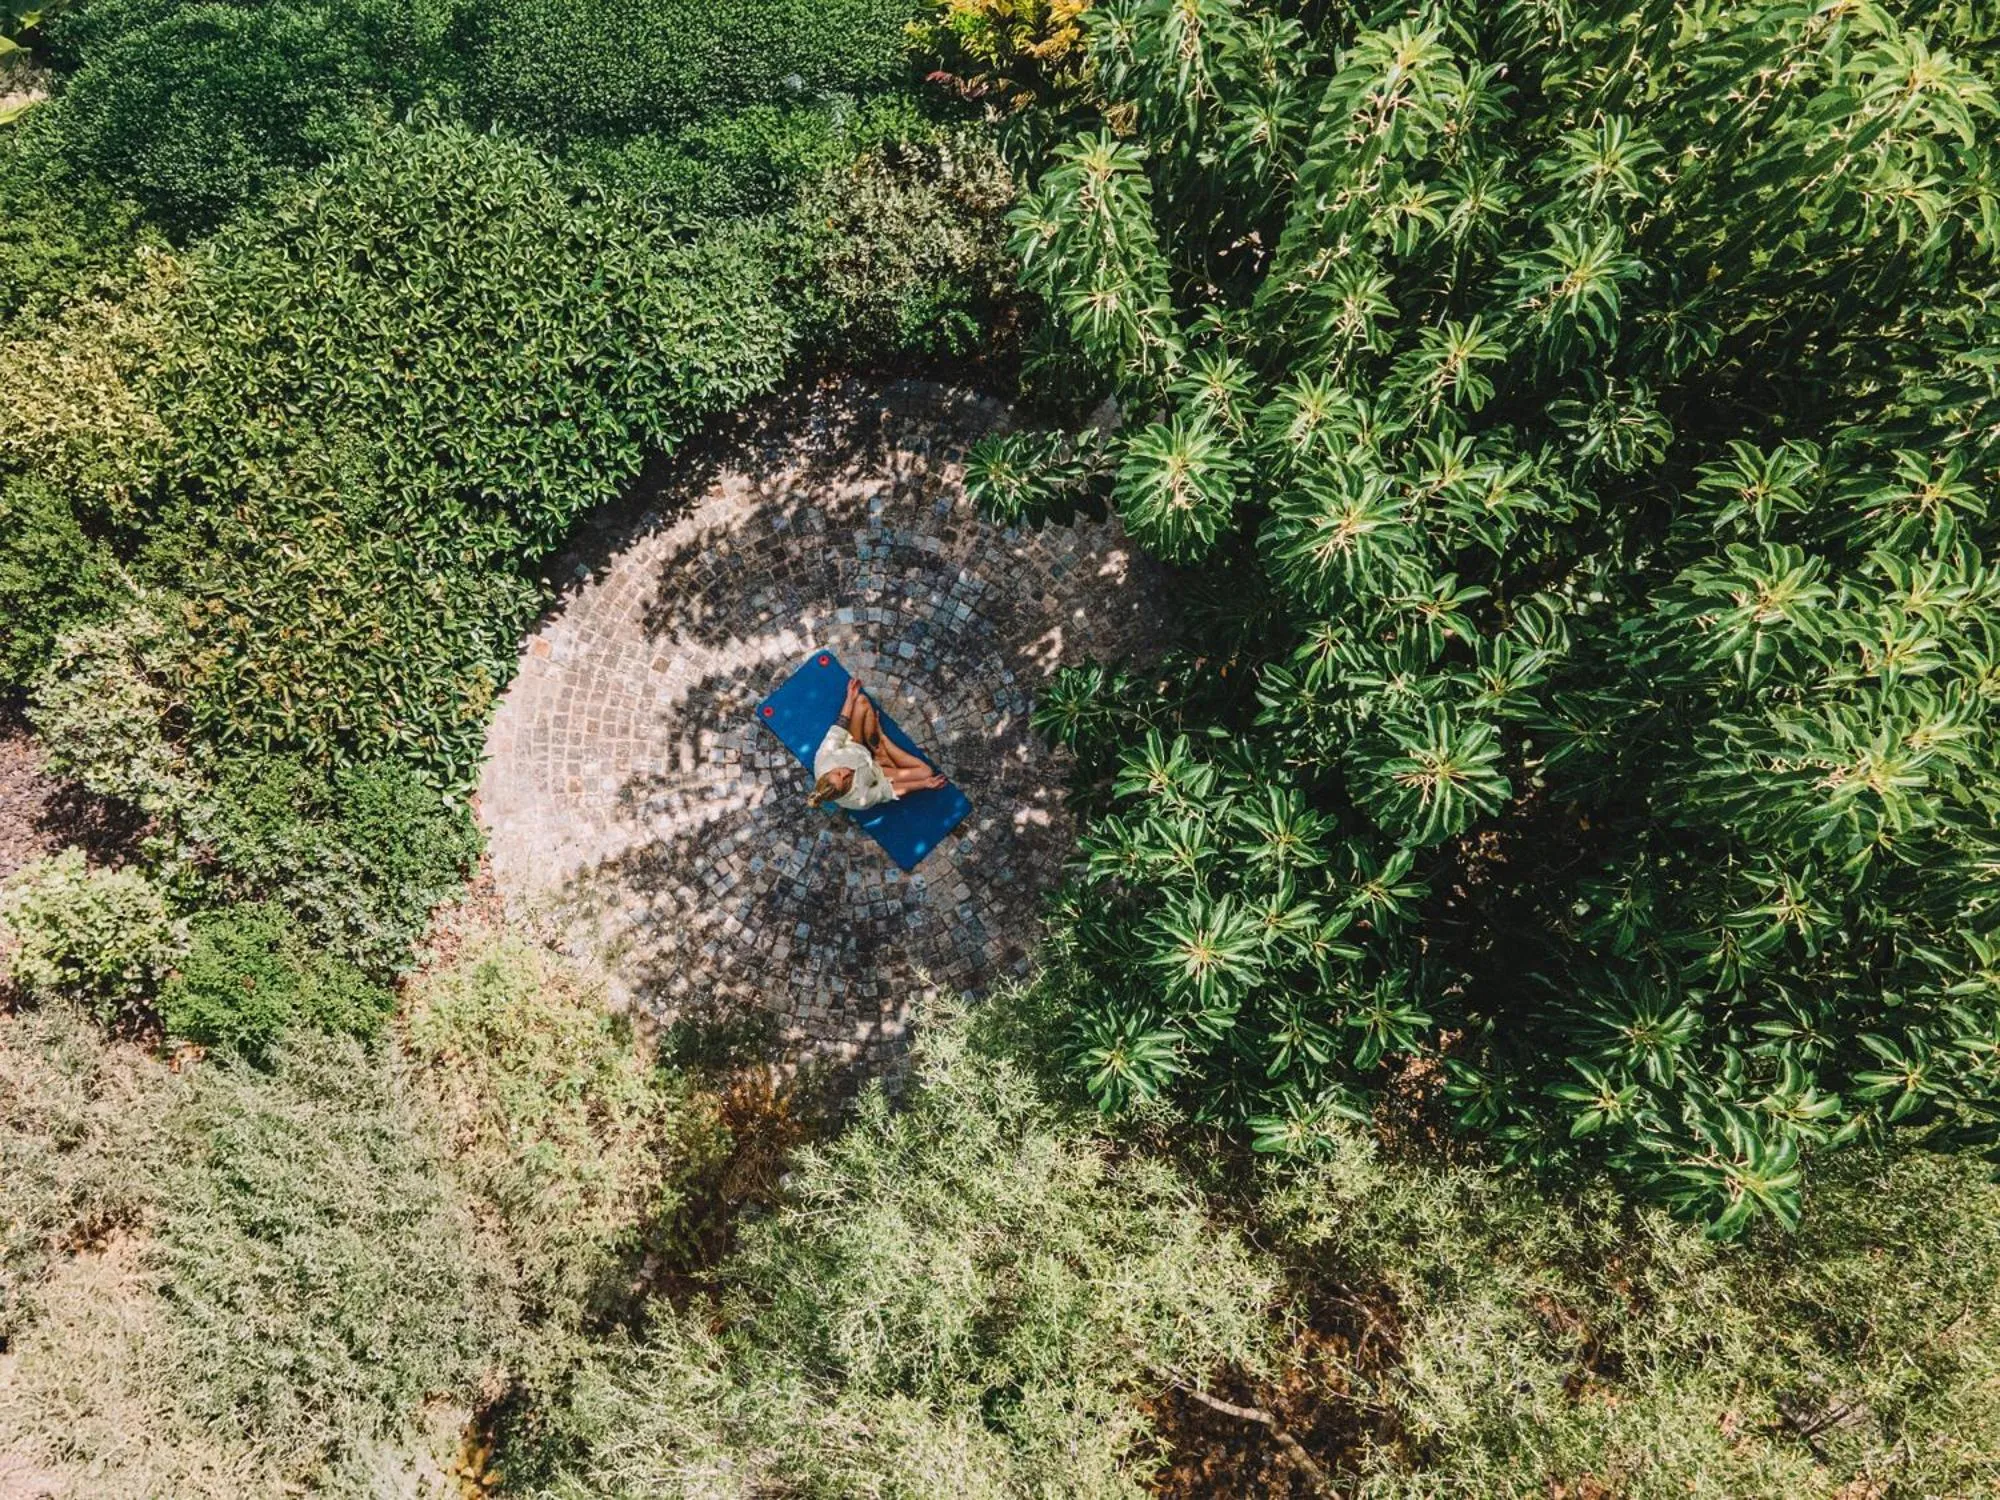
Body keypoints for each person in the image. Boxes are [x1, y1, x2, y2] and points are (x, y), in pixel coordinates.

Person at [808, 677, 946, 810]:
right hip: (876, 772)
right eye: (846, 781)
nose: (845, 772)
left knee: (861, 701)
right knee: (926, 772)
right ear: (844, 792)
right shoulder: (859, 800)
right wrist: (924, 784)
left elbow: (840, 727)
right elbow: (889, 790)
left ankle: (880, 747)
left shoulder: (823, 761)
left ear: (827, 773)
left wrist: (850, 696)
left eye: (838, 773)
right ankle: (882, 741)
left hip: (854, 744)